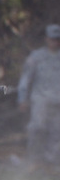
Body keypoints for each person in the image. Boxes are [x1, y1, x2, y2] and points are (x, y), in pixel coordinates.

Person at [19, 24, 60, 168]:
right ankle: (33, 160)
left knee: (57, 132)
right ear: (46, 39)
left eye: (57, 39)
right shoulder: (36, 57)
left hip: (58, 101)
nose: (55, 42)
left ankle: (53, 163)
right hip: (40, 100)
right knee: (37, 129)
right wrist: (22, 98)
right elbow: (25, 78)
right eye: (52, 39)